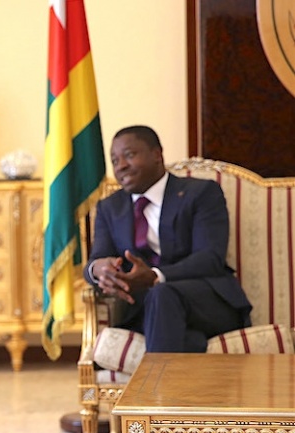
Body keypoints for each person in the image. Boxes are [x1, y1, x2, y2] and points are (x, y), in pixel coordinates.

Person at [84, 125, 252, 352]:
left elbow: (209, 258)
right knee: (164, 310)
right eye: (114, 161)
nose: (121, 166)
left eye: (130, 155)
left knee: (162, 294)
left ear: (156, 155)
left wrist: (155, 276)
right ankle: (192, 349)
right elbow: (95, 260)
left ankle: (156, 387)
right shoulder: (110, 207)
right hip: (143, 310)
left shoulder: (201, 193)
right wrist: (99, 269)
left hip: (205, 302)